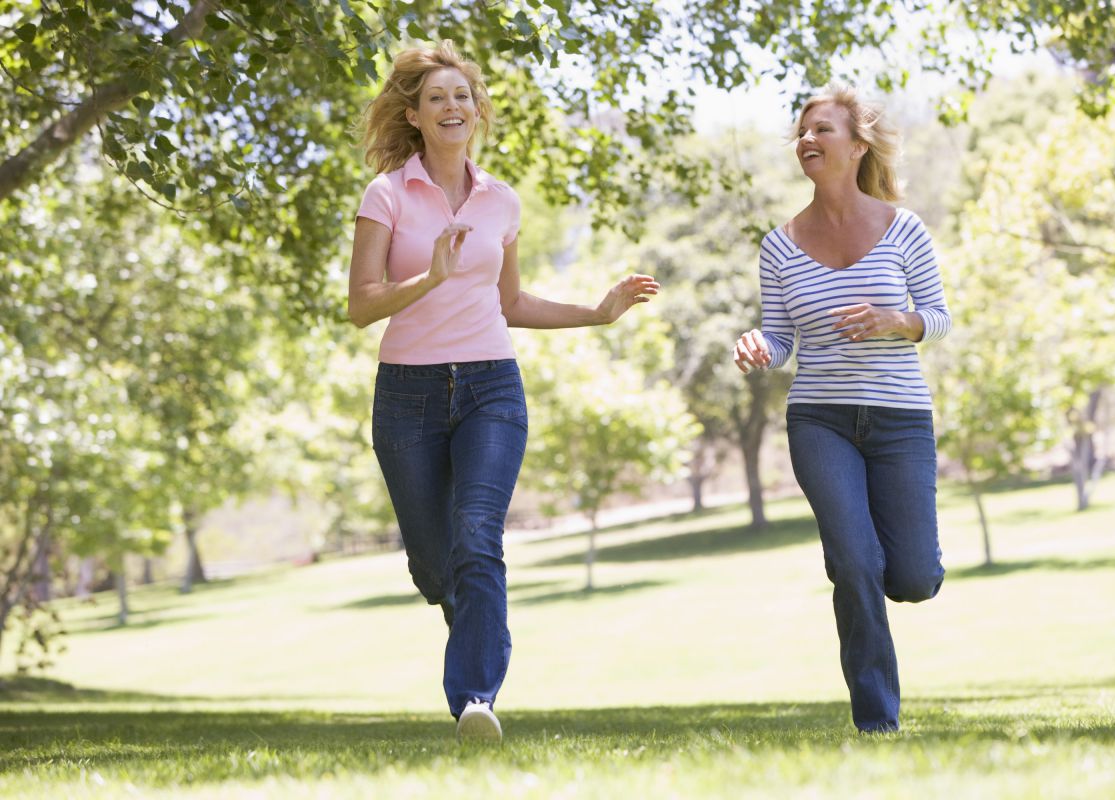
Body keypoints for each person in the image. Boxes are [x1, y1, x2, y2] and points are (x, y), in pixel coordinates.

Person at [348, 40, 659, 742]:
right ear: (415, 115)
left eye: (462, 95)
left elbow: (510, 302)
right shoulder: (388, 194)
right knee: (435, 564)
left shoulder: (501, 200)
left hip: (491, 384)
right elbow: (361, 304)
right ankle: (459, 613)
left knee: (477, 535)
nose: (452, 107)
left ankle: (475, 701)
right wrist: (428, 277)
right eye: (436, 98)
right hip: (407, 396)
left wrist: (596, 312)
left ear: (477, 109)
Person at [732, 83, 951, 733]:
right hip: (821, 419)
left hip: (900, 420)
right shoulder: (779, 245)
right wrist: (757, 345)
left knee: (910, 578)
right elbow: (780, 337)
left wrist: (894, 320)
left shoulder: (901, 228)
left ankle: (902, 569)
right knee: (854, 562)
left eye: (823, 130)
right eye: (802, 131)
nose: (808, 140)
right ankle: (877, 720)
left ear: (857, 146)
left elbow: (938, 320)